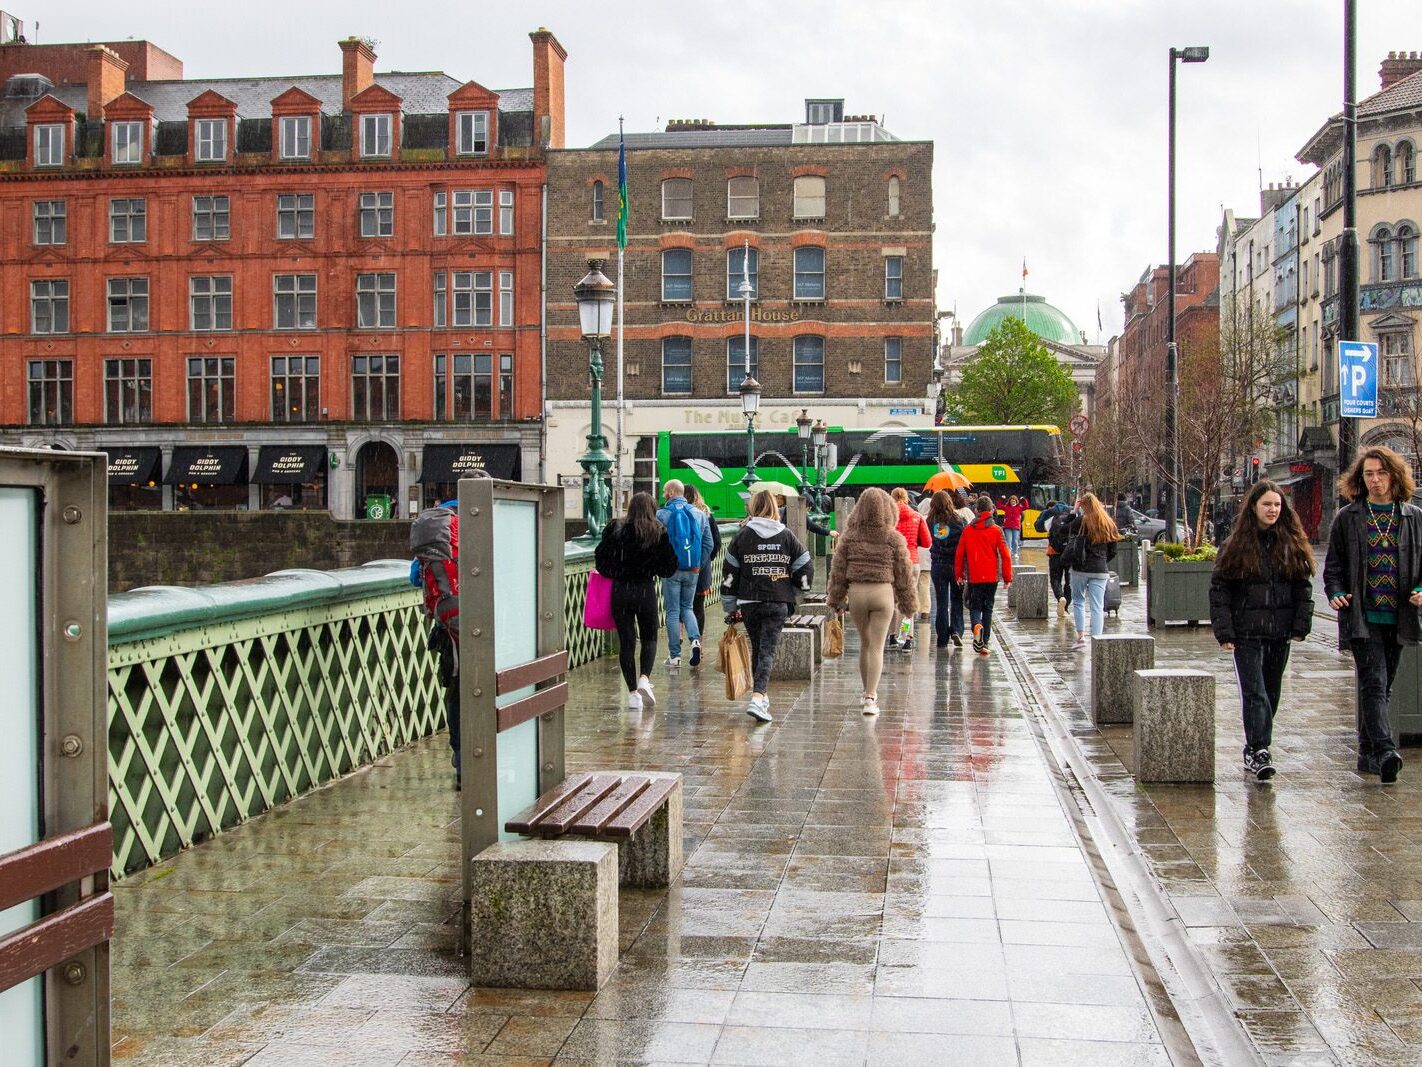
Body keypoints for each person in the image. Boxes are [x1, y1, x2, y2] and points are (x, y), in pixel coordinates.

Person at [1323, 445, 1422, 784]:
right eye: (1369, 474)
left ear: (1394, 476)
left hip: (1400, 616)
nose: (1375, 479)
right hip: (1363, 616)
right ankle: (1385, 750)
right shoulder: (1348, 518)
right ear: (1360, 479)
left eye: (1381, 473)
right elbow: (1333, 566)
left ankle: (1367, 752)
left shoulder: (1412, 516)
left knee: (1382, 686)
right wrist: (1336, 593)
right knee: (1375, 682)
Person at [1209, 481, 1314, 781]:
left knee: (1271, 692)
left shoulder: (1291, 543)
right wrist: (1225, 631)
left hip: (1279, 631)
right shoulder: (1236, 545)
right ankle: (1259, 749)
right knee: (1255, 692)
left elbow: (1302, 589)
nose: (1272, 510)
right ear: (1253, 506)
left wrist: (1299, 625)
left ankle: (1255, 745)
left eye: (1277, 505)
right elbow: (1220, 590)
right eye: (1267, 504)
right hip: (1246, 632)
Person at [722, 490, 813, 723]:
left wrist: (730, 605)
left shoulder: (742, 536)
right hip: (777, 600)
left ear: (753, 507)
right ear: (775, 507)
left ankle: (761, 697)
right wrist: (795, 591)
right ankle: (758, 697)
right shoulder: (786, 536)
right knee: (767, 651)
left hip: (750, 602)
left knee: (758, 648)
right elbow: (805, 566)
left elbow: (730, 573)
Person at [827, 488, 919, 716]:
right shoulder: (893, 538)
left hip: (857, 593)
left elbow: (838, 571)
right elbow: (904, 573)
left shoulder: (849, 537)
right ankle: (871, 697)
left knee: (865, 644)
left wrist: (836, 599)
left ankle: (864, 691)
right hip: (883, 593)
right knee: (877, 647)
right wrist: (908, 605)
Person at [596, 493, 679, 711]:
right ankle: (644, 678)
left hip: (621, 590)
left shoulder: (616, 529)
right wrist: (651, 566)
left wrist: (618, 570)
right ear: (652, 508)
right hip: (645, 590)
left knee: (627, 641)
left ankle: (633, 694)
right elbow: (669, 567)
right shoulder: (658, 532)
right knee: (649, 637)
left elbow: (601, 561)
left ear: (631, 507)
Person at [657, 479, 715, 669]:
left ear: (672, 492)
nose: (664, 494)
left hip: (671, 570)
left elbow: (655, 543)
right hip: (693, 570)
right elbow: (709, 544)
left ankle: (675, 657)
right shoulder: (699, 514)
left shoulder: (662, 514)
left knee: (673, 612)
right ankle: (695, 641)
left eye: (666, 491)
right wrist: (697, 563)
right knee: (688, 608)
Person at [1059, 492, 1121, 649]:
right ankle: (1097, 640)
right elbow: (1113, 550)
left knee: (1079, 601)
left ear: (1083, 506)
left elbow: (1061, 530)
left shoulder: (1081, 521)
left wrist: (1073, 512)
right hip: (1100, 570)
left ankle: (1081, 637)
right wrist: (1101, 562)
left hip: (1079, 568)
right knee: (1097, 605)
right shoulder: (1108, 522)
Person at [955, 494, 1012, 655]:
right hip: (991, 576)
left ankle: (976, 626)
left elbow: (960, 554)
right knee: (988, 608)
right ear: (992, 510)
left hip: (974, 576)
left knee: (975, 606)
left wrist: (959, 574)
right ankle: (984, 642)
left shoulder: (967, 530)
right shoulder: (996, 530)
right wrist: (1007, 578)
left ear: (976, 510)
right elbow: (1005, 555)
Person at [889, 487, 931, 651]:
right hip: (912, 562)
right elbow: (927, 542)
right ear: (906, 498)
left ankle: (892, 636)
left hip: (893, 563)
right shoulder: (917, 516)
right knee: (908, 602)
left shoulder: (888, 518)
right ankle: (906, 639)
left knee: (892, 601)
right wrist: (913, 543)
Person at [927, 489, 968, 649]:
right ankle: (956, 630)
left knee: (941, 602)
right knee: (957, 599)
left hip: (938, 565)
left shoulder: (930, 521)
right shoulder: (958, 520)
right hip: (956, 566)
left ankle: (942, 637)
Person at [684, 485, 722, 638]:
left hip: (681, 567)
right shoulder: (706, 515)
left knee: (681, 607)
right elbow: (716, 543)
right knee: (698, 607)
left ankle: (678, 644)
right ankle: (697, 642)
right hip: (701, 569)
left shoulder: (679, 515)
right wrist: (704, 561)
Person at [1035, 498, 1073, 617]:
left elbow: (1038, 527)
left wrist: (1046, 513)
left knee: (1055, 578)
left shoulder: (1050, 512)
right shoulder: (1071, 511)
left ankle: (1060, 597)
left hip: (1054, 551)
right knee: (1069, 580)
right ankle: (1066, 607)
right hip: (1070, 551)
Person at [999, 494, 1027, 563]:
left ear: (1016, 501)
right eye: (1011, 501)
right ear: (1009, 501)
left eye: (1014, 501)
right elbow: (999, 505)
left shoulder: (1019, 507)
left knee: (1015, 540)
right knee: (1008, 540)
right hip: (1008, 526)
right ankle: (1009, 552)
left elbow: (1026, 506)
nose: (1013, 502)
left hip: (1016, 526)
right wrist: (1001, 499)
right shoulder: (1006, 507)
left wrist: (1024, 500)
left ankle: (1015, 553)